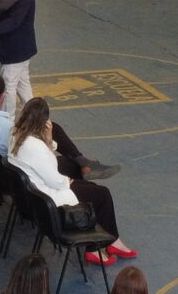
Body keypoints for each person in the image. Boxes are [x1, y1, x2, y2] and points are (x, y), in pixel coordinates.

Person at [11, 97, 130, 259]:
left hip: (33, 192)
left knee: (87, 183)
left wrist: (48, 143)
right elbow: (56, 180)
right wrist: (67, 179)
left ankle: (102, 241)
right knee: (102, 194)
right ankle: (97, 247)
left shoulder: (15, 134)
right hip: (49, 198)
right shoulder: (36, 147)